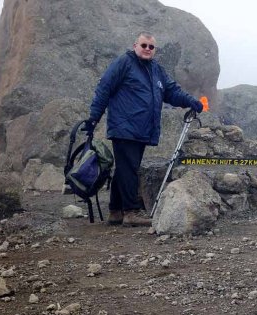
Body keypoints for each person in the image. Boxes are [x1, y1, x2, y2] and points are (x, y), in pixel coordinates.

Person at [84, 31, 203, 227]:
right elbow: (104, 87)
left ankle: (116, 211)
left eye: (151, 47)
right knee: (129, 169)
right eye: (144, 45)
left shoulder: (156, 70)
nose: (147, 49)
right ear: (135, 46)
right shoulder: (124, 63)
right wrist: (93, 118)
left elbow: (172, 91)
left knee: (125, 169)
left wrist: (193, 102)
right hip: (124, 127)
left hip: (140, 130)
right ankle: (130, 212)